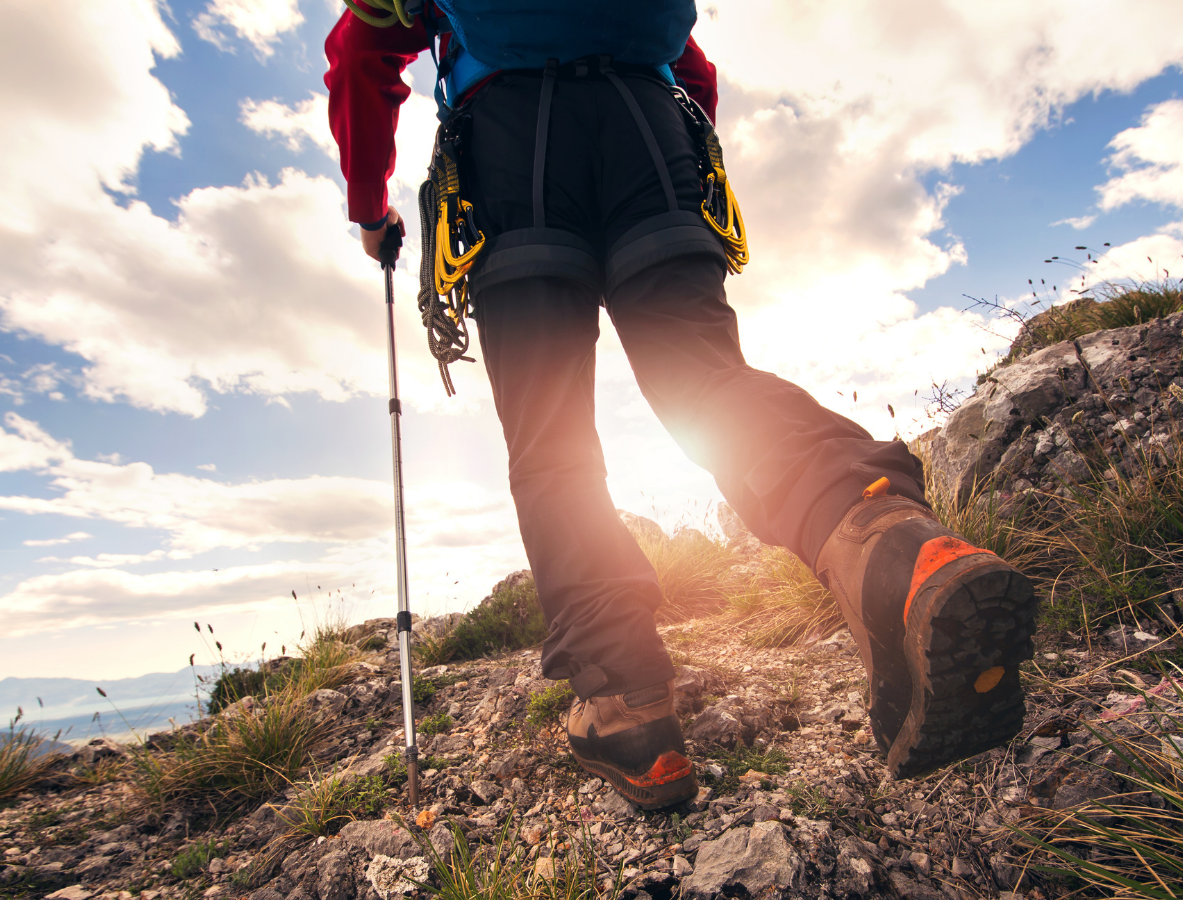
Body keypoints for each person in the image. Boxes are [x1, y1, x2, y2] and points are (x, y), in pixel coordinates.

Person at [324, 0, 1037, 810]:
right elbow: (691, 73)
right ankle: (891, 544)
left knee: (549, 437)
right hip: (649, 128)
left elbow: (362, 51)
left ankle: (628, 706)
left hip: (510, 146)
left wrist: (368, 208)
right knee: (703, 377)